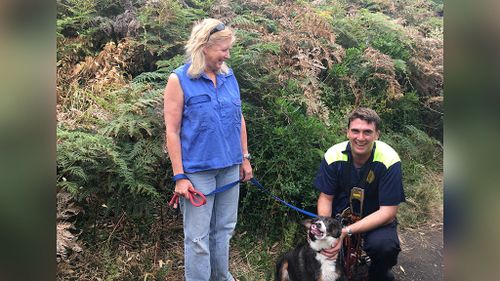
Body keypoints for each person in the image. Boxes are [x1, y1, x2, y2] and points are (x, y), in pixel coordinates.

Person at [163, 18, 252, 281]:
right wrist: (179, 176)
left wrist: (244, 158)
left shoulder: (228, 76)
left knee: (224, 229)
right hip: (197, 173)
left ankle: (221, 277)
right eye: (223, 49)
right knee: (197, 238)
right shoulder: (179, 80)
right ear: (204, 47)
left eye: (228, 50)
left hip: (230, 167)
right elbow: (172, 131)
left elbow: (239, 118)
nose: (227, 55)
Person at [313, 107, 405, 281]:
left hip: (376, 218)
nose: (360, 138)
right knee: (322, 250)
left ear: (377, 134)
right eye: (355, 131)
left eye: (367, 132)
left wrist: (346, 232)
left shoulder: (389, 159)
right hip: (340, 217)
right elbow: (326, 198)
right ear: (347, 132)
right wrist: (325, 231)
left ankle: (378, 273)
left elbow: (388, 212)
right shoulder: (333, 155)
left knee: (384, 247)